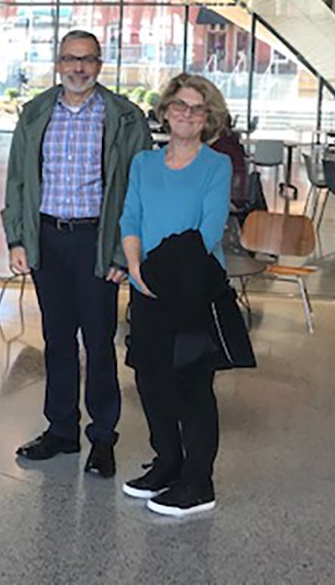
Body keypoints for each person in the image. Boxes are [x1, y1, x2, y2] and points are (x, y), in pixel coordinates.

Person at [2, 30, 151, 478]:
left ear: (99, 65)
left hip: (96, 242)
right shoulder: (36, 112)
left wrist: (123, 254)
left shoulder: (124, 117)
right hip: (47, 238)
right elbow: (18, 180)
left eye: (87, 60)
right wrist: (17, 238)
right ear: (58, 63)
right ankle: (62, 430)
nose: (78, 68)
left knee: (99, 342)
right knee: (57, 339)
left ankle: (102, 437)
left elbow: (138, 190)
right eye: (70, 59)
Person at [120, 73, 233, 517]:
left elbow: (207, 233)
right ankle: (167, 463)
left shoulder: (216, 166)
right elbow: (131, 218)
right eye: (180, 105)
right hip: (145, 286)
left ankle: (198, 483)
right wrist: (135, 269)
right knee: (151, 380)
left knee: (192, 386)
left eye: (197, 108)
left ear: (208, 117)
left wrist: (157, 276)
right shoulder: (144, 163)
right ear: (165, 111)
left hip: (192, 290)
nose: (187, 114)